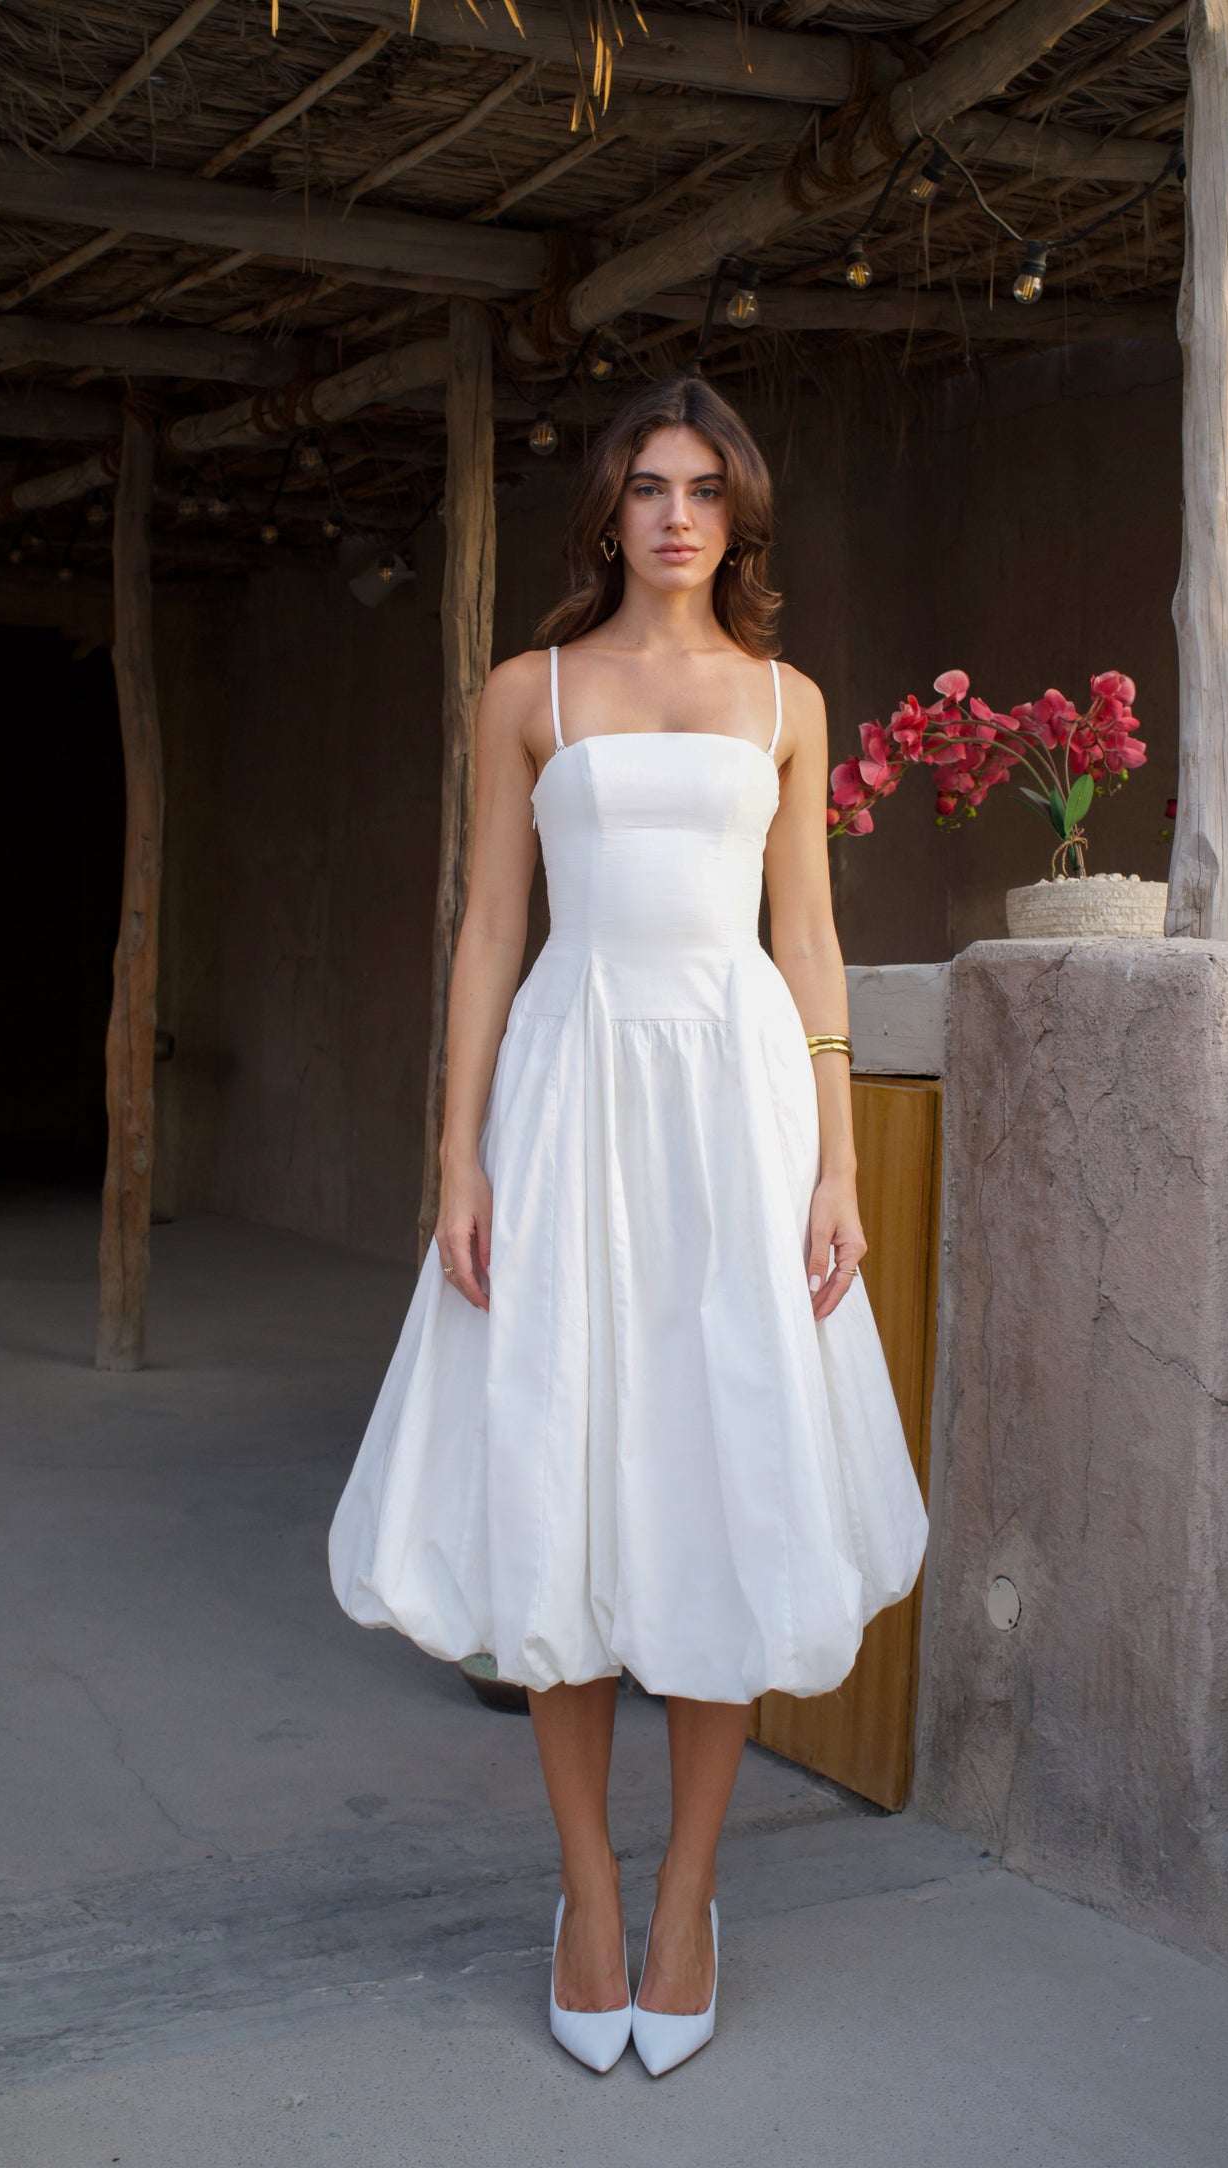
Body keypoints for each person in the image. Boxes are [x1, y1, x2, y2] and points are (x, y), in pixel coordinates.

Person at [328, 373, 928, 2077]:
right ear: (609, 512)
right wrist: (456, 1159)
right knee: (570, 1481)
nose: (676, 514)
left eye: (706, 489)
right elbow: (484, 932)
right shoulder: (527, 691)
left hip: (733, 1110)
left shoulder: (785, 702)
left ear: (738, 516)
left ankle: (688, 1901)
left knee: (721, 1483)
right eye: (648, 486)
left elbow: (805, 941)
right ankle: (588, 1896)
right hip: (570, 1092)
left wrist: (832, 1158)